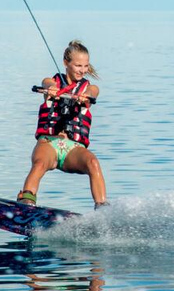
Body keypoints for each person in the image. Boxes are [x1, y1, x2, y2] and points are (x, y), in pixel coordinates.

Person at [17, 40, 108, 209]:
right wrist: (51, 89)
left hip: (72, 149)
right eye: (78, 65)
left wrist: (85, 96)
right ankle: (26, 203)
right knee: (40, 164)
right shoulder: (53, 82)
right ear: (66, 63)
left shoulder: (91, 88)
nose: (82, 70)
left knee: (93, 162)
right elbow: (46, 82)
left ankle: (103, 211)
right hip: (48, 144)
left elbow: (93, 92)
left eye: (85, 66)